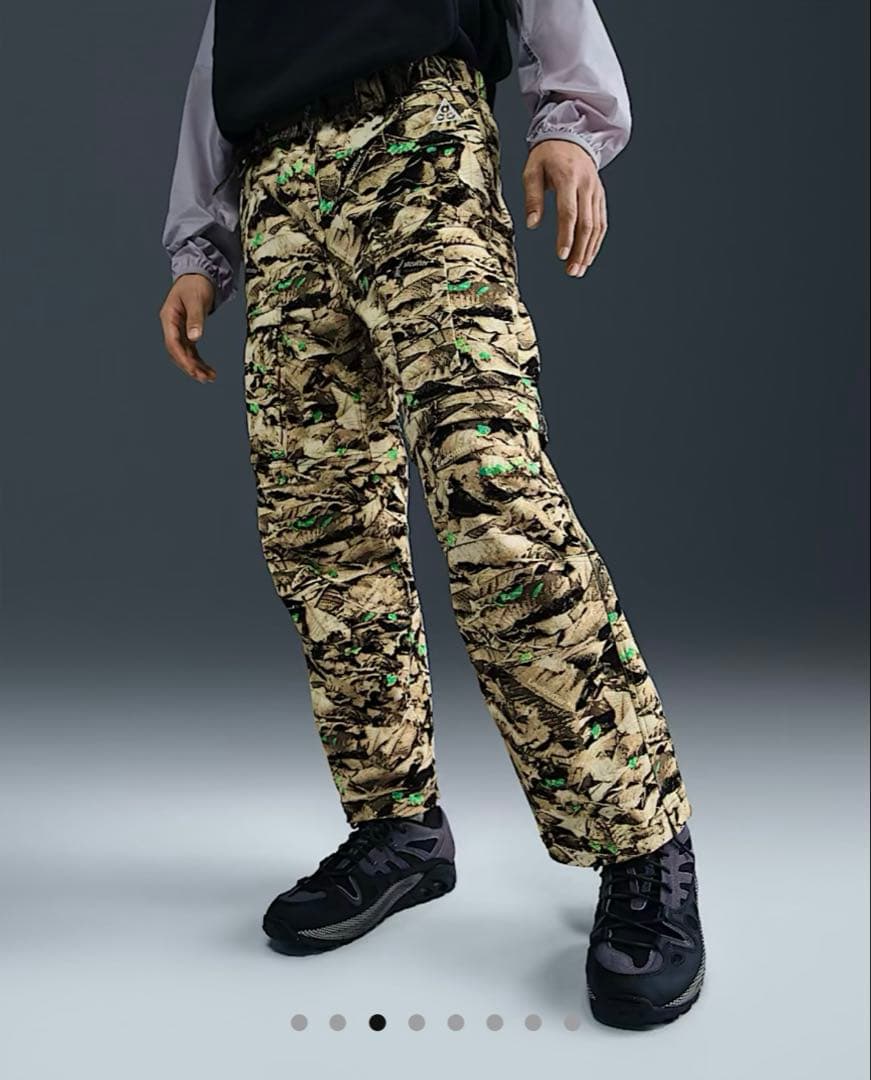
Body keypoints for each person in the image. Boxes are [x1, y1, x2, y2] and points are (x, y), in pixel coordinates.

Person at [160, 0, 705, 1029]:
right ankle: (397, 825)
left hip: (416, 130)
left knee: (491, 497)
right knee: (321, 530)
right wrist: (201, 245)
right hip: (276, 180)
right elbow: (226, 40)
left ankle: (640, 841)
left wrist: (569, 116)